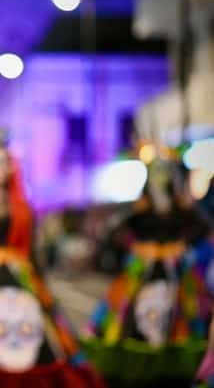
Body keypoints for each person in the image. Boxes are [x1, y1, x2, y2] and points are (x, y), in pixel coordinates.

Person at [0, 142, 105, 388]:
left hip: (18, 272)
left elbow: (30, 250)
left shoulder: (23, 207)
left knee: (43, 330)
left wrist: (41, 286)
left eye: (5, 162)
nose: (0, 168)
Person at [83, 159, 212, 388]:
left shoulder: (181, 209)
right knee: (129, 316)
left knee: (184, 316)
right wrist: (136, 246)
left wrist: (183, 245)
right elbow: (115, 230)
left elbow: (202, 227)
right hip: (144, 270)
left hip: (176, 273)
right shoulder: (140, 209)